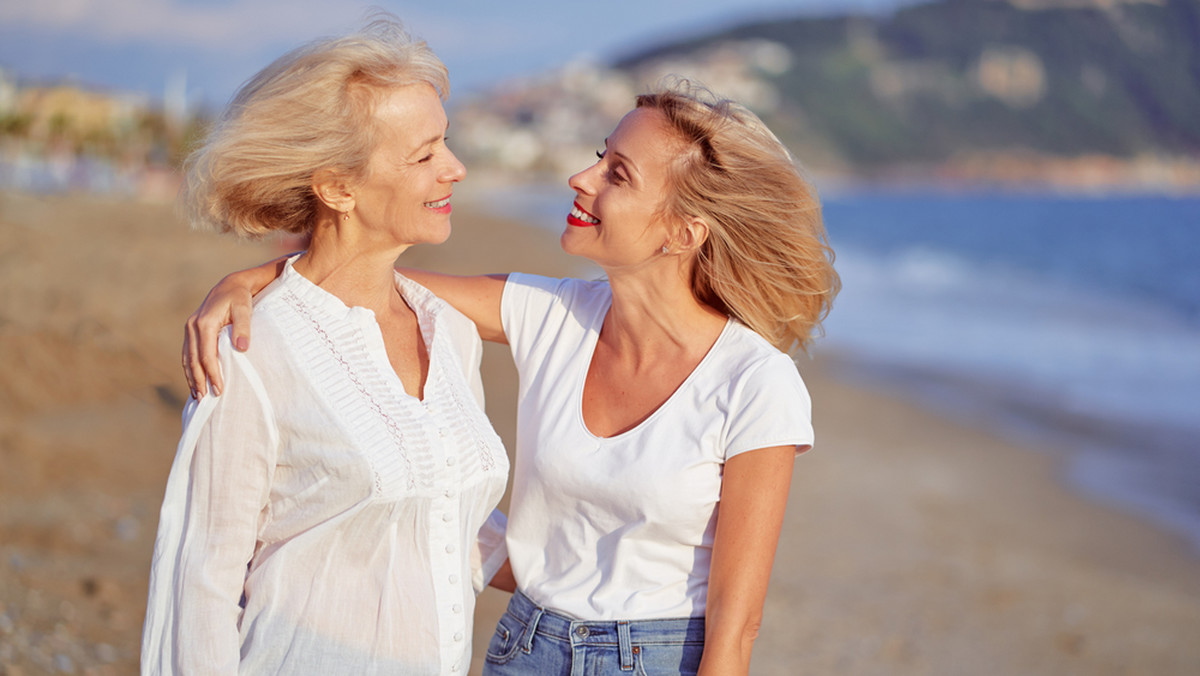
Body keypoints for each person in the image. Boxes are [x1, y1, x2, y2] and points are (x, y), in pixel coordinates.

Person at [185, 81, 839, 675]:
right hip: (525, 646)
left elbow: (736, 623)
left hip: (658, 657)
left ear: (682, 231)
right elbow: (368, 286)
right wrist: (254, 278)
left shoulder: (755, 383)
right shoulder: (549, 312)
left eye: (617, 173)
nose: (581, 178)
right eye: (597, 155)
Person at [141, 18, 510, 675]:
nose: (455, 169)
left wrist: (605, 573)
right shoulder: (253, 345)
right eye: (424, 156)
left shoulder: (449, 330)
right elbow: (202, 578)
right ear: (338, 187)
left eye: (446, 144)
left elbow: (442, 514)